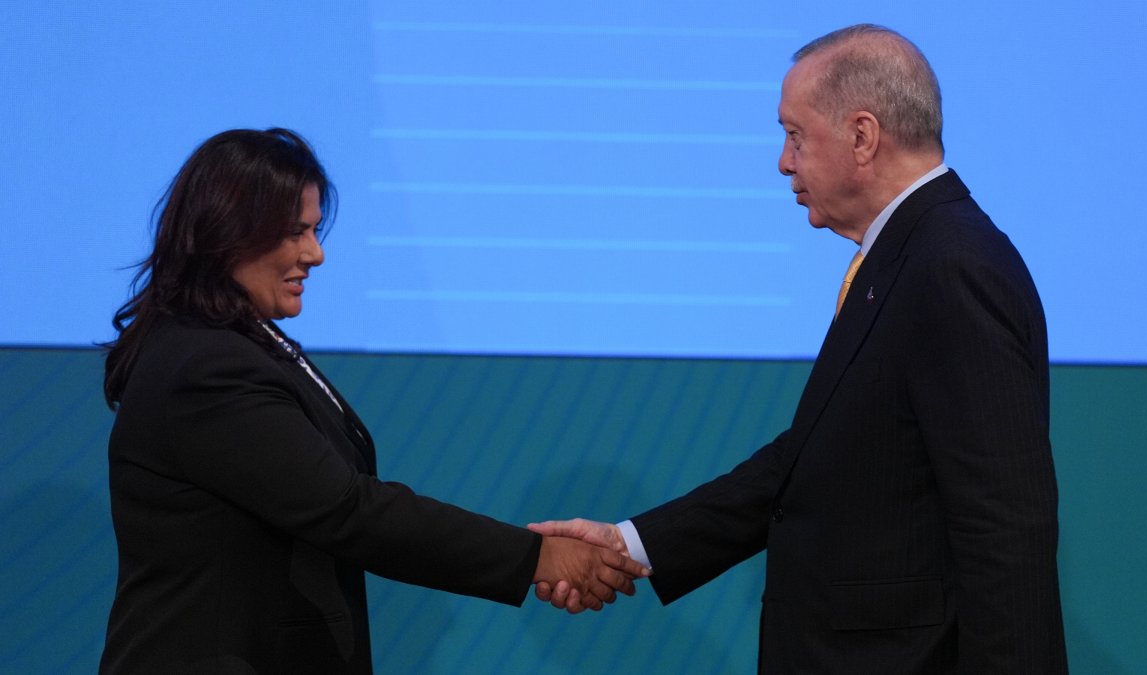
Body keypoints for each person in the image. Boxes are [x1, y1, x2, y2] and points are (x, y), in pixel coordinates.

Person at [531, 24, 1068, 673]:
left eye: (795, 135)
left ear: (862, 136)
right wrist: (633, 542)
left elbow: (1005, 526)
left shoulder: (950, 266)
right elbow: (815, 460)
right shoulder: (902, 257)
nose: (784, 161)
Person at [99, 128, 648, 674]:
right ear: (227, 232)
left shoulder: (242, 345)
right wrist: (535, 557)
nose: (314, 254)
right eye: (294, 232)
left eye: (313, 231)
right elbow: (348, 510)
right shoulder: (205, 366)